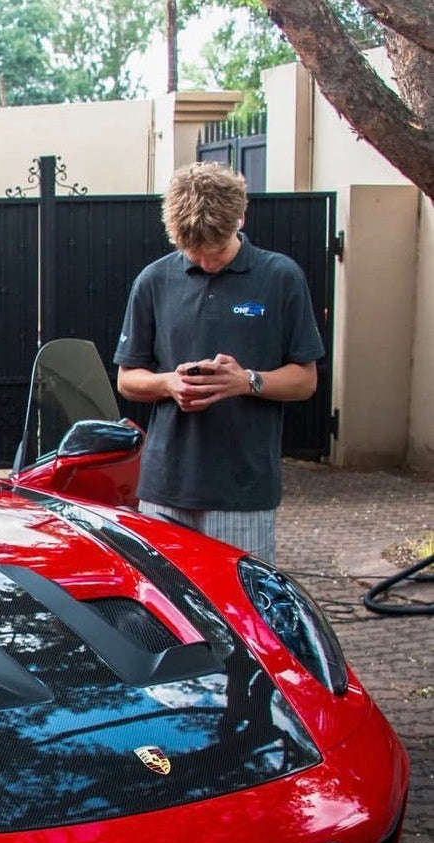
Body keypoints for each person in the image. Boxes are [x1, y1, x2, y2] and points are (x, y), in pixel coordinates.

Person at [114, 162, 325, 565]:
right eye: (193, 251)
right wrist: (168, 384)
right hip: (164, 490)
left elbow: (305, 380)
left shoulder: (280, 277)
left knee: (239, 613)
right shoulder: (153, 280)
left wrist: (247, 381)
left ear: (240, 218)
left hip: (242, 492)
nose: (204, 261)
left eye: (214, 250)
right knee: (167, 613)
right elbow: (128, 379)